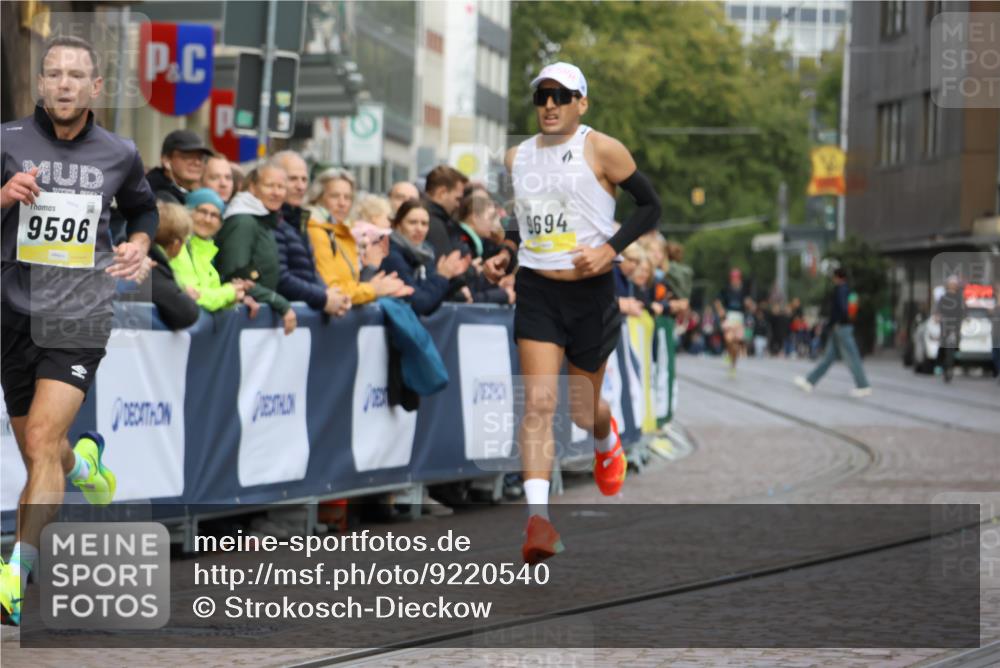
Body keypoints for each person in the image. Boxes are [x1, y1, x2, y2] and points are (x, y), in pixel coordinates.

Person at [0, 36, 158, 625]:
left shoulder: (119, 153)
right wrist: (4, 195)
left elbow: (144, 210)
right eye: (53, 74)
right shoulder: (7, 142)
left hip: (79, 313)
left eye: (76, 76)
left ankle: (18, 571)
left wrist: (139, 244)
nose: (63, 84)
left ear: (96, 88)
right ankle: (85, 464)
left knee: (39, 440)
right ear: (40, 84)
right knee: (45, 449)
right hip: (12, 310)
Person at [483, 62, 662, 563]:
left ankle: (607, 439)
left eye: (561, 96)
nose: (550, 106)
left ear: (581, 102)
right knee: (539, 404)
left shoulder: (601, 148)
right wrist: (508, 249)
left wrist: (610, 249)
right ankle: (537, 522)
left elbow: (650, 206)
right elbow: (520, 215)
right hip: (538, 289)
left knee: (582, 410)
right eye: (542, 97)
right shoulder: (515, 156)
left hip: (591, 293)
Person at [215, 162, 298, 335]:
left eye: (281, 187)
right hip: (240, 320)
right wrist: (278, 302)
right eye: (269, 186)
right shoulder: (243, 221)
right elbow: (235, 275)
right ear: (252, 187)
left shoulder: (262, 220)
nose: (276, 192)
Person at [306, 168, 410, 306]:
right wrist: (373, 289)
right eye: (335, 196)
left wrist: (370, 272)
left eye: (347, 197)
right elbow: (332, 290)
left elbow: (352, 284)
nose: (342, 203)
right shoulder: (316, 232)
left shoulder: (345, 233)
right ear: (318, 199)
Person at [269, 157, 352, 318]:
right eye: (292, 179)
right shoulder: (272, 221)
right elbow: (281, 278)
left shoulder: (299, 220)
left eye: (304, 179)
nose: (300, 186)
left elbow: (311, 272)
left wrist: (328, 294)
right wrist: (324, 297)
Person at [169, 188, 255, 314]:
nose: (207, 220)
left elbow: (211, 297)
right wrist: (230, 292)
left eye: (214, 215)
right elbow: (192, 297)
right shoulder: (176, 247)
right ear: (187, 213)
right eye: (202, 211)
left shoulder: (206, 253)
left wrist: (235, 298)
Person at [380, 199, 469, 315]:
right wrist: (443, 276)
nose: (419, 229)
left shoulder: (427, 254)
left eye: (424, 224)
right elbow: (419, 303)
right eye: (412, 222)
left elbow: (430, 294)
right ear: (398, 225)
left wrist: (454, 283)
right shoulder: (392, 256)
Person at [121, 201, 200, 330]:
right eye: (184, 241)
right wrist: (189, 299)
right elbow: (184, 313)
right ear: (176, 244)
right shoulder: (152, 266)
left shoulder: (139, 256)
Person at [795, 268, 872, 397]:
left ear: (837, 277)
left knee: (852, 357)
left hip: (841, 328)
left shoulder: (841, 289)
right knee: (828, 358)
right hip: (841, 328)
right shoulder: (848, 289)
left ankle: (863, 385)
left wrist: (834, 323)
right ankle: (809, 381)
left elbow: (841, 309)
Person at [145, 129, 213, 204]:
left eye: (201, 157)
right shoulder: (157, 198)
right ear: (166, 160)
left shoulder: (195, 196)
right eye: (188, 156)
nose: (197, 162)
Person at [423, 165, 469, 258]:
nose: (458, 204)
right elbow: (449, 265)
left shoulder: (444, 222)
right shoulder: (433, 224)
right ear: (442, 193)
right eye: (457, 199)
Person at [714, 268, 748, 376]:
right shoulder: (726, 289)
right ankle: (729, 354)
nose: (735, 280)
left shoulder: (744, 290)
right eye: (733, 278)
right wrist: (720, 310)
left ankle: (733, 366)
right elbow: (717, 301)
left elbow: (748, 303)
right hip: (729, 317)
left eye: (737, 278)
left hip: (739, 319)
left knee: (737, 344)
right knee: (728, 339)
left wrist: (750, 304)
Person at [935, 275, 966, 383]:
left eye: (954, 284)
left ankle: (950, 367)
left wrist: (964, 319)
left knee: (953, 348)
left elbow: (963, 312)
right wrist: (937, 316)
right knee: (943, 347)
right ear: (948, 285)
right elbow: (938, 311)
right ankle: (943, 366)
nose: (952, 286)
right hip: (945, 326)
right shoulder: (943, 297)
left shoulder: (959, 298)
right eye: (951, 284)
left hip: (955, 326)